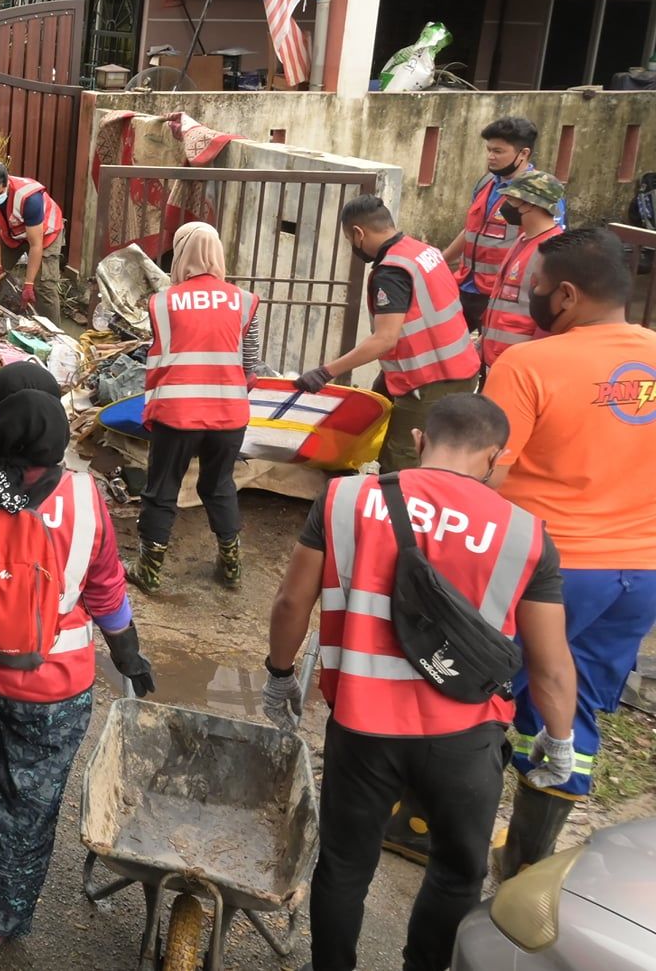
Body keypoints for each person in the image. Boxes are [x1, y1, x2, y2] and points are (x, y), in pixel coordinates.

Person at [263, 394, 577, 971]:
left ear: (419, 440)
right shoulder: (526, 535)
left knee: (344, 865)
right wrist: (558, 742)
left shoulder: (345, 499)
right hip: (465, 737)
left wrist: (280, 675)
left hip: (362, 726)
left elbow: (290, 603)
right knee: (457, 872)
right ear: (495, 456)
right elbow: (551, 663)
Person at [0, 374, 154, 957]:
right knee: (29, 806)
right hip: (55, 687)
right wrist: (127, 652)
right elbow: (105, 588)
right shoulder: (85, 498)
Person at [483, 226, 656, 871]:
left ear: (566, 295)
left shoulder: (529, 364)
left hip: (548, 569)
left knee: (478, 688)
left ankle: (426, 828)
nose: (531, 296)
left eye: (535, 286)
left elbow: (485, 476)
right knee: (571, 705)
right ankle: (526, 865)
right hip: (640, 575)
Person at [294, 197, 479, 472]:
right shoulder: (423, 251)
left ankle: (398, 499)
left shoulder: (391, 273)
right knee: (382, 421)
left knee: (402, 459)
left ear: (358, 233)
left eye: (350, 239)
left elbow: (384, 339)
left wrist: (325, 372)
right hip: (460, 367)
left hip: (429, 381)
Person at [129, 222, 261, 592]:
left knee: (162, 487)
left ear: (182, 253)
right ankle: (231, 566)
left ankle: (149, 571)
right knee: (219, 485)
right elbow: (250, 364)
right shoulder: (244, 301)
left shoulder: (163, 302)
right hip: (229, 415)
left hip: (176, 414)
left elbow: (158, 352)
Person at [442, 117, 563, 331]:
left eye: (498, 151)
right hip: (465, 284)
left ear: (523, 153)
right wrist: (441, 261)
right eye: (488, 150)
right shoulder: (485, 182)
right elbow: (471, 230)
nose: (490, 157)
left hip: (501, 294)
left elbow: (550, 245)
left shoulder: (540, 195)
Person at [477, 171, 565, 371]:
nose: (505, 205)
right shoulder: (523, 239)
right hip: (497, 356)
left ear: (530, 204)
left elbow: (551, 318)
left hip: (520, 364)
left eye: (511, 199)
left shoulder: (553, 252)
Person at [0, 162, 65, 322]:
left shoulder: (30, 198)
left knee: (44, 287)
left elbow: (35, 245)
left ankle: (54, 332)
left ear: (7, 184)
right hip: (12, 233)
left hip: (45, 235)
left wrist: (29, 283)